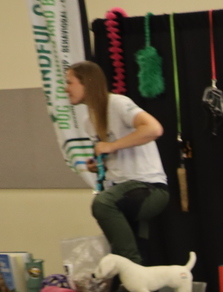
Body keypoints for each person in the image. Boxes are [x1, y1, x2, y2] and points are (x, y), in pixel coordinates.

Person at [66, 61, 168, 265]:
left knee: (103, 204)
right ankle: (135, 284)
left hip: (148, 188)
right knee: (133, 243)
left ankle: (131, 267)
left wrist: (112, 146)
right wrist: (99, 163)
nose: (65, 88)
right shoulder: (89, 121)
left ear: (87, 82)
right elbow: (112, 151)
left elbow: (154, 129)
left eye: (70, 82)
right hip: (123, 189)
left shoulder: (118, 103)